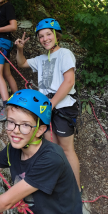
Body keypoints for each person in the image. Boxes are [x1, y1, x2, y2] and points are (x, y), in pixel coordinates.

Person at [15, 18, 81, 190]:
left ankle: (75, 188)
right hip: (46, 106)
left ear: (56, 35)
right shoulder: (41, 59)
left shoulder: (65, 54)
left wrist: (51, 103)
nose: (44, 38)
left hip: (62, 106)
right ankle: (57, 182)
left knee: (66, 149)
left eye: (48, 34)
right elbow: (21, 63)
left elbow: (69, 81)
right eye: (41, 36)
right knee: (50, 147)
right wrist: (20, 49)